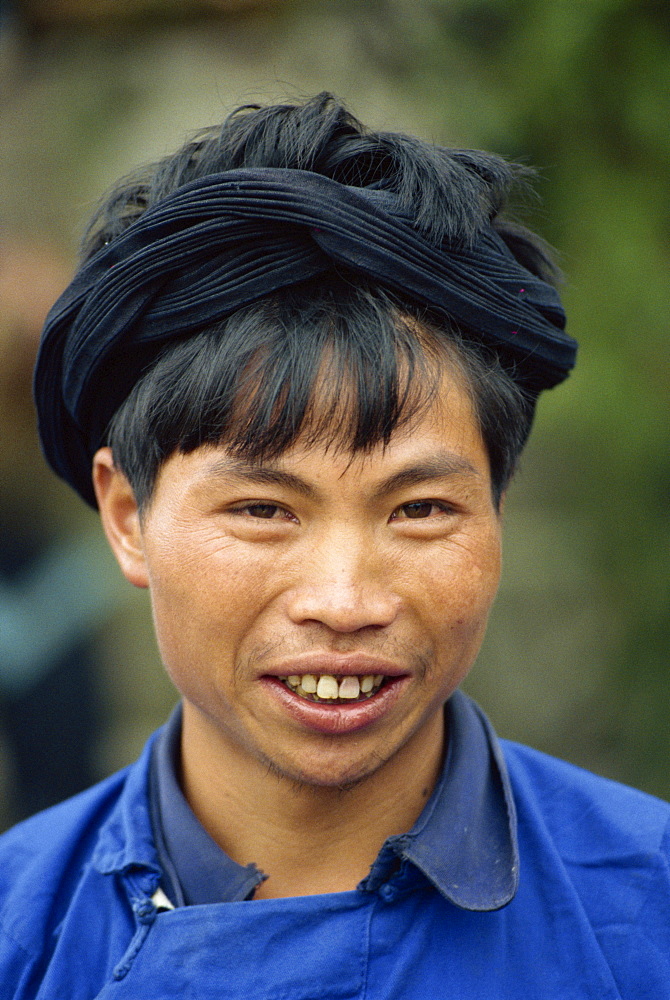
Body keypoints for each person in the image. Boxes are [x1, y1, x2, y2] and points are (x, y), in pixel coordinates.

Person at [1, 93, 667, 999]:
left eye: (421, 509)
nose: (346, 600)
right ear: (127, 517)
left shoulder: (644, 913)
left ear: (498, 507)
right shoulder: (20, 933)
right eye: (264, 511)